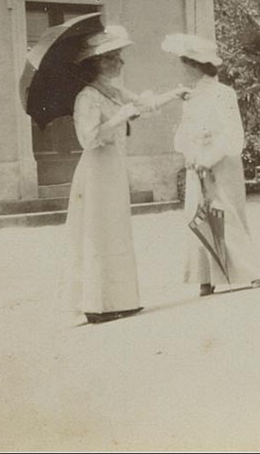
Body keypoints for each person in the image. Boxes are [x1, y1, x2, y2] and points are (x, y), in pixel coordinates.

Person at [62, 25, 187, 324]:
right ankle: (95, 304)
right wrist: (120, 117)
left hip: (114, 167)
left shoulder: (114, 91)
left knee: (115, 229)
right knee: (97, 231)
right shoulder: (87, 97)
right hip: (96, 170)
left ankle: (118, 300)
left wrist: (175, 94)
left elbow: (145, 104)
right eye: (115, 57)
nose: (121, 62)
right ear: (99, 62)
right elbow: (87, 138)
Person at [162, 33, 260, 297]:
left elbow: (232, 134)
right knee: (199, 214)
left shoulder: (222, 93)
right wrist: (192, 154)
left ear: (194, 64)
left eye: (183, 63)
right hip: (198, 164)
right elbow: (185, 132)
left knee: (227, 213)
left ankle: (249, 271)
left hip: (222, 164)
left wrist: (209, 158)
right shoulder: (191, 97)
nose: (181, 69)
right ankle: (205, 277)